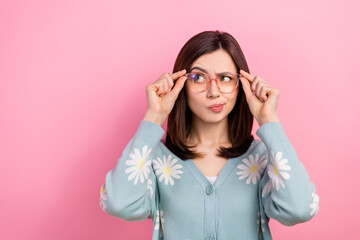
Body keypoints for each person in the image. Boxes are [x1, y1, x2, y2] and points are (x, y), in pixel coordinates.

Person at [99, 30, 319, 240]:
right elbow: (119, 203)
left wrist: (269, 120)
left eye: (225, 78)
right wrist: (154, 116)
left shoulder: (262, 158)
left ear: (241, 85)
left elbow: (300, 209)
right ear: (181, 84)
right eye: (198, 77)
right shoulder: (156, 158)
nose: (213, 92)